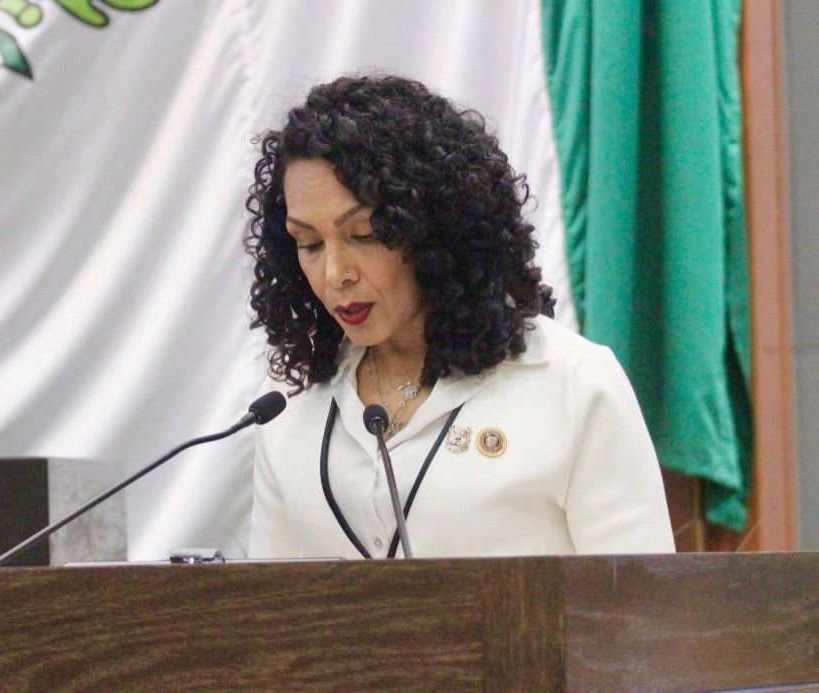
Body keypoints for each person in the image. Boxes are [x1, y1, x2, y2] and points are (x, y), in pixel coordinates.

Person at [244, 74, 674, 559]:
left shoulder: (573, 384)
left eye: (363, 234)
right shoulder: (285, 403)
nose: (334, 274)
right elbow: (267, 603)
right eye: (309, 243)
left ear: (433, 228)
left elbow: (642, 602)